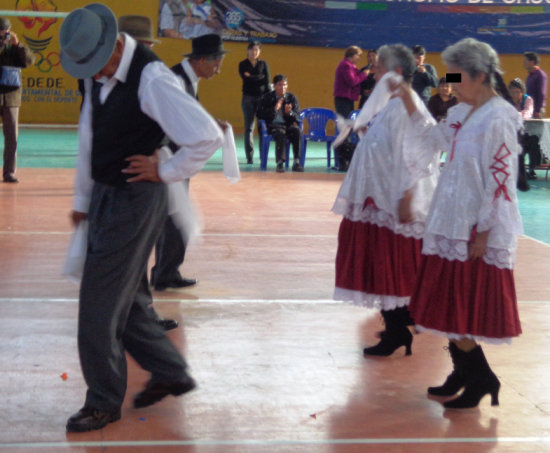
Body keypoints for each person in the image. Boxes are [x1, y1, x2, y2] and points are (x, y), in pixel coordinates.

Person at [59, 3, 224, 432]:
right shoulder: (101, 76)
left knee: (98, 303)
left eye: (96, 65)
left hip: (136, 200)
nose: (92, 74)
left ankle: (103, 401)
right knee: (128, 299)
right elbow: (89, 134)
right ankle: (170, 370)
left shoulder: (153, 78)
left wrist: (165, 169)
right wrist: (83, 197)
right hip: (106, 195)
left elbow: (205, 136)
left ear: (114, 47)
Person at [396, 38, 523, 409]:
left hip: (473, 227)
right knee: (449, 304)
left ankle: (482, 378)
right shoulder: (462, 114)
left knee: (462, 306)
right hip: (450, 221)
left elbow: (501, 177)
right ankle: (464, 372)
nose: (450, 84)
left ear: (481, 75)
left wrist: (484, 229)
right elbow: (430, 138)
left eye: (458, 76)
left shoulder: (498, 117)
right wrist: (407, 98)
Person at [332, 44, 440, 357]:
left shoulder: (407, 105)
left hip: (392, 205)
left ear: (395, 73)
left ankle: (402, 326)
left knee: (390, 267)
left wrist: (407, 194)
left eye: (379, 67)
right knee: (384, 268)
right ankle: (399, 326)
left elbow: (415, 152)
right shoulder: (393, 106)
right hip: (380, 200)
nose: (373, 72)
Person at [150, 33, 227, 295]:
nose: (219, 69)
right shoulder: (176, 80)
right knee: (172, 217)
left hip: (177, 157)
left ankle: (168, 271)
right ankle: (162, 274)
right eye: (217, 62)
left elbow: (189, 114)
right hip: (166, 157)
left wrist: (209, 122)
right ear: (202, 60)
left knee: (177, 216)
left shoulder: (188, 79)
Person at [0, 17, 34, 183]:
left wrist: (17, 45)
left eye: (5, 32)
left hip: (11, 97)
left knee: (12, 136)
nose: (3, 35)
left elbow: (29, 61)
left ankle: (9, 172)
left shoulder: (14, 46)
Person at [257, 74, 303, 173]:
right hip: (272, 126)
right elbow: (259, 114)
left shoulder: (291, 98)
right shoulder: (267, 97)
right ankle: (280, 162)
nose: (282, 88)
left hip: (287, 125)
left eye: (284, 85)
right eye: (279, 85)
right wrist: (274, 109)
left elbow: (297, 116)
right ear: (274, 86)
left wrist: (289, 113)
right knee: (280, 133)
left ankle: (296, 161)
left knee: (297, 131)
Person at [239, 41, 270, 165]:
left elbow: (267, 80)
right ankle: (249, 157)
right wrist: (258, 77)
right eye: (252, 50)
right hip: (248, 98)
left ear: (259, 52)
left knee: (262, 127)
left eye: (256, 50)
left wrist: (252, 77)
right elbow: (245, 79)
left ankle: (263, 156)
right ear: (248, 51)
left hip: (262, 99)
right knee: (249, 128)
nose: (254, 52)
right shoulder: (242, 64)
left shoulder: (263, 64)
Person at [333, 45, 369, 118]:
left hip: (347, 98)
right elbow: (352, 81)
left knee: (348, 120)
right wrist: (364, 74)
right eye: (358, 55)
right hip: (343, 99)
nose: (359, 58)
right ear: (352, 55)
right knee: (345, 122)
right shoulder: (346, 65)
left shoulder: (350, 65)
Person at [523, 51, 547, 119]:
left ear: (532, 62)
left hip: (536, 110)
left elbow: (542, 93)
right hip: (529, 109)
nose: (524, 63)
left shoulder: (540, 75)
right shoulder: (530, 75)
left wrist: (538, 110)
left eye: (526, 60)